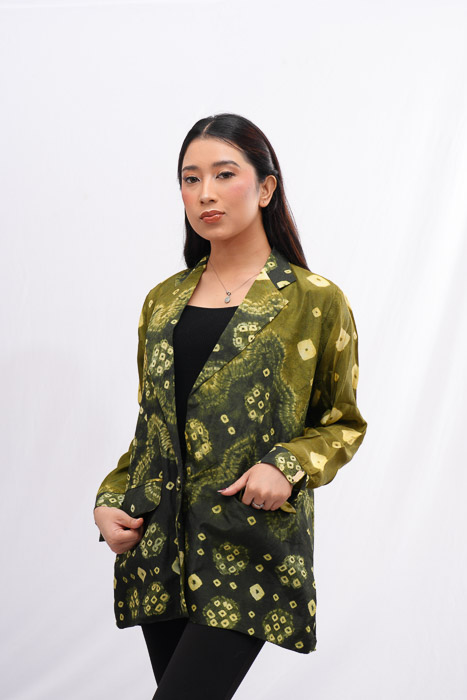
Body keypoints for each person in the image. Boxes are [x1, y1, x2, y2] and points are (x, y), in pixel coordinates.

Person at [94, 112, 367, 699]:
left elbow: (342, 424)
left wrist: (286, 465)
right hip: (158, 545)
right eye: (190, 179)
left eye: (223, 174)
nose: (205, 193)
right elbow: (153, 429)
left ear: (266, 188)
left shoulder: (315, 301)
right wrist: (110, 499)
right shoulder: (162, 301)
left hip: (247, 544)